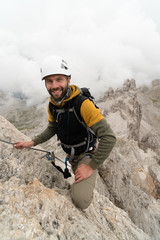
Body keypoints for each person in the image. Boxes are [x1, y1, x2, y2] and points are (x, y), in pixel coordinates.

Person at [14, 55, 116, 210]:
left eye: (59, 79)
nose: (54, 86)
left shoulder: (83, 104)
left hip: (86, 155)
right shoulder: (53, 104)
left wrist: (90, 166)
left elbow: (109, 137)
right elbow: (52, 128)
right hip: (71, 156)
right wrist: (31, 143)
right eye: (49, 81)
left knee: (81, 201)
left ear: (68, 80)